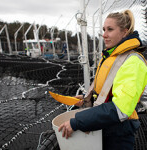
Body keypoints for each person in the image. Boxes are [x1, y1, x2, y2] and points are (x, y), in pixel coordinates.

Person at [58, 9, 147, 150]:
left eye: (110, 29)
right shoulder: (111, 56)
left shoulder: (133, 62)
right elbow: (108, 93)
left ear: (124, 32)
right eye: (104, 29)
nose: (104, 35)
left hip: (119, 134)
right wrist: (87, 99)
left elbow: (120, 109)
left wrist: (77, 122)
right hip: (106, 128)